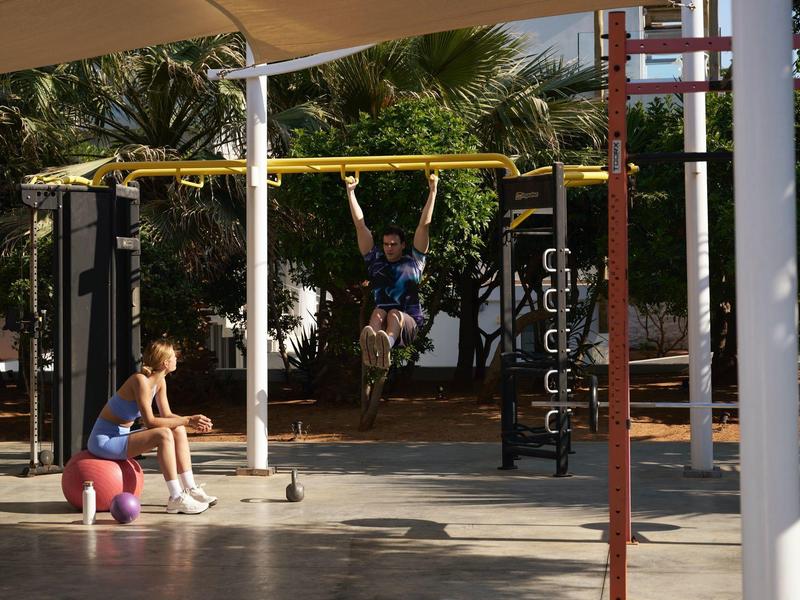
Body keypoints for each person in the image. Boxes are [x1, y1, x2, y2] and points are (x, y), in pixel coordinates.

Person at [87, 339, 217, 514]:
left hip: (121, 436)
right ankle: (176, 497)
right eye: (173, 356)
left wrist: (192, 420)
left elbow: (168, 415)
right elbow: (149, 421)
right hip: (104, 441)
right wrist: (187, 420)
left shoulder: (160, 382)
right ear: (165, 363)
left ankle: (190, 487)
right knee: (163, 434)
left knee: (177, 429)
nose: (176, 358)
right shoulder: (139, 381)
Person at [345, 173, 438, 369]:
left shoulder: (414, 261)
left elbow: (424, 225)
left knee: (394, 312)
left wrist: (433, 190)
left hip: (409, 325)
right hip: (384, 322)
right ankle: (373, 347)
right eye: (386, 244)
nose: (389, 248)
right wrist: (351, 192)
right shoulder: (375, 261)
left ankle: (385, 344)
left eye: (393, 244)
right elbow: (360, 226)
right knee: (379, 311)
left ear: (403, 245)